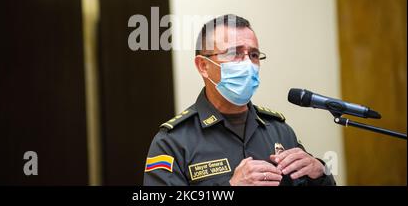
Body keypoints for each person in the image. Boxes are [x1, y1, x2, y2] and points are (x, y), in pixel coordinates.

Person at [143, 14, 335, 186]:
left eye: (253, 55)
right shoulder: (173, 142)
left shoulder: (280, 131)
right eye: (234, 53)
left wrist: (320, 173)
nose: (247, 64)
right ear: (203, 66)